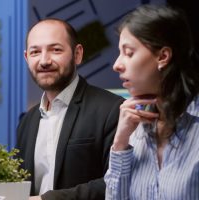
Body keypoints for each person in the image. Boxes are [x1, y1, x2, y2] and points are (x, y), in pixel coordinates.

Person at [16, 18, 124, 200]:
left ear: (77, 54)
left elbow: (117, 183)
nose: (44, 61)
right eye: (35, 52)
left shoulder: (112, 109)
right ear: (27, 58)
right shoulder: (27, 121)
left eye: (55, 50)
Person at [104, 5, 199, 199]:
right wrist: (120, 144)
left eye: (129, 53)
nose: (116, 65)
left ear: (163, 56)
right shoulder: (134, 129)